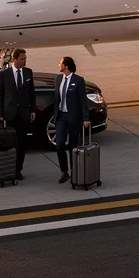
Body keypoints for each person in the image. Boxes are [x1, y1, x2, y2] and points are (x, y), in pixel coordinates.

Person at [0, 48, 36, 180]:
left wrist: (33, 110)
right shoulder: (5, 74)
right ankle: (9, 169)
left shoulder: (28, 72)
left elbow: (31, 93)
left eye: (25, 58)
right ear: (15, 60)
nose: (25, 61)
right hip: (10, 114)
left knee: (22, 143)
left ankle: (18, 169)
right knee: (10, 143)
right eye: (22, 59)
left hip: (23, 114)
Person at [53, 56, 91, 184]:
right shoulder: (58, 79)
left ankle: (74, 171)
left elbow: (83, 100)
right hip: (61, 117)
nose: (59, 65)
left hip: (73, 117)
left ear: (66, 66)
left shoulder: (78, 80)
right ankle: (64, 171)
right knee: (59, 145)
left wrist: (86, 118)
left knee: (72, 146)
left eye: (60, 63)